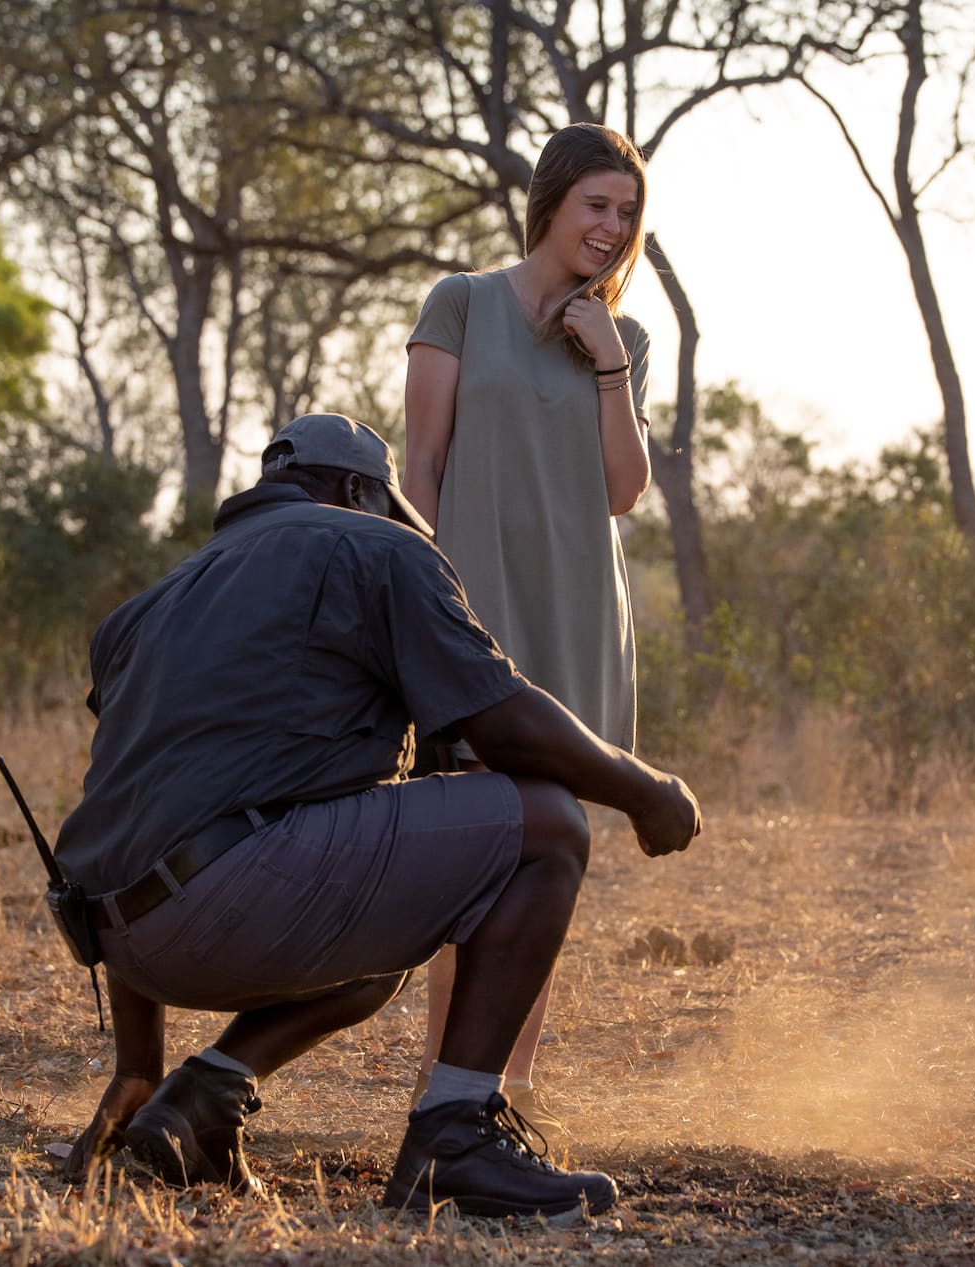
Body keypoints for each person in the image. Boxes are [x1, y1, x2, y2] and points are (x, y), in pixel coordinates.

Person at [53, 412, 702, 1221]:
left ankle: (205, 1093)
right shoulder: (378, 546)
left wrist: (135, 1069)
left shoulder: (150, 604)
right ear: (360, 490)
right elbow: (502, 720)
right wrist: (643, 787)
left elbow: (141, 810)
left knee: (392, 928)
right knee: (549, 824)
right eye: (388, 505)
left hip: (125, 942)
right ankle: (453, 1138)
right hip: (228, 908)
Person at [400, 123, 654, 1113]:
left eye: (627, 214)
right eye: (597, 205)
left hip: (579, 607)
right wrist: (422, 603)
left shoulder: (620, 338)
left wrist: (608, 363)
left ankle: (508, 1088)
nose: (611, 227)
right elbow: (419, 464)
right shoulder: (459, 302)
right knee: (470, 855)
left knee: (547, 852)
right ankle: (440, 1083)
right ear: (550, 202)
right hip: (470, 605)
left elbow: (622, 493)